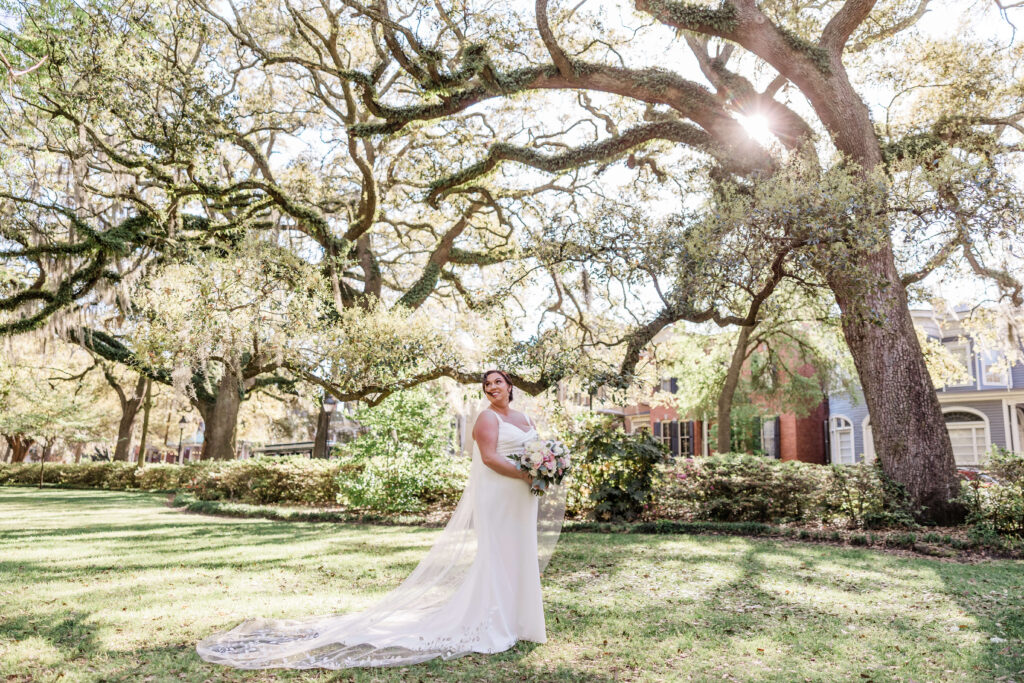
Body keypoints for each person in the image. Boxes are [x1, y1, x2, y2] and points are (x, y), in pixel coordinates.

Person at [195, 369, 563, 670]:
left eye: (497, 381)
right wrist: (527, 475)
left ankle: (522, 622)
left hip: (523, 498)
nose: (491, 387)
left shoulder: (525, 417)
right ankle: (495, 624)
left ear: (510, 386)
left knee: (520, 555)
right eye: (486, 384)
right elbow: (489, 459)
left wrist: (545, 467)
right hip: (502, 494)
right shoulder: (485, 418)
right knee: (498, 557)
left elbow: (536, 449)